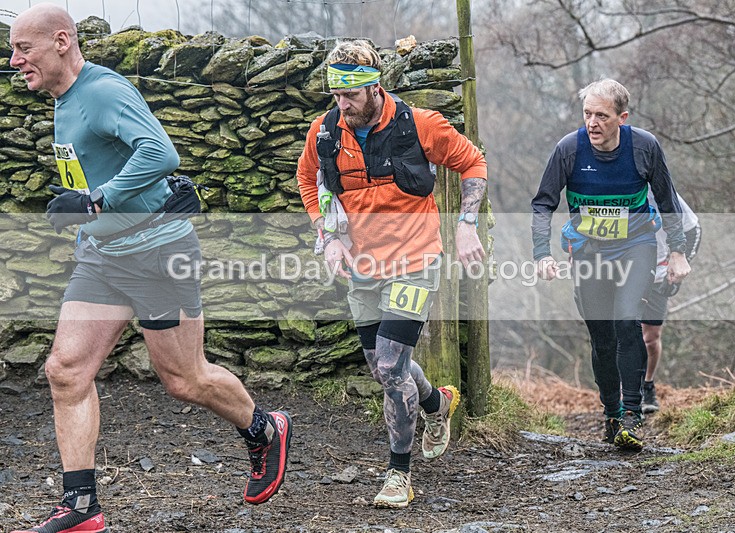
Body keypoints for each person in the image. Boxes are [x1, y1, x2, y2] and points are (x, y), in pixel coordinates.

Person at [9, 5, 291, 532]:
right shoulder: (64, 98)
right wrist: (88, 211)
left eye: (24, 48)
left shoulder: (101, 92)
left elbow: (161, 154)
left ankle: (265, 429)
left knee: (184, 379)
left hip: (157, 252)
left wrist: (96, 202)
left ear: (62, 41)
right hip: (103, 257)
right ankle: (80, 506)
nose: (14, 58)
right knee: (65, 370)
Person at [296, 40, 487, 508]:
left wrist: (466, 225)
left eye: (351, 96)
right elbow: (310, 180)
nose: (343, 106)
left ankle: (398, 476)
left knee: (388, 363)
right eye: (336, 97)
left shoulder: (420, 124)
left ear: (375, 87)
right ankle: (436, 404)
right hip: (363, 266)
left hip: (415, 259)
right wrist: (329, 235)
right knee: (383, 368)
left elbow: (472, 162)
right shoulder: (324, 132)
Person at [531, 78, 691, 451]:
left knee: (626, 320)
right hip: (590, 251)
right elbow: (543, 203)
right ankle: (611, 413)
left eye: (601, 115)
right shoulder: (569, 150)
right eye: (587, 114)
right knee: (602, 338)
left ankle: (632, 416)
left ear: (622, 117)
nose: (592, 123)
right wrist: (542, 253)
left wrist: (678, 251)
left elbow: (667, 200)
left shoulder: (644, 147)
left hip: (637, 245)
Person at [640, 193, 701, 413]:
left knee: (650, 337)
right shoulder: (615, 185)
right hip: (622, 274)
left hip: (658, 276)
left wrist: (678, 266)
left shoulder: (661, 192)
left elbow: (693, 230)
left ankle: (647, 385)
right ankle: (624, 391)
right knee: (622, 332)